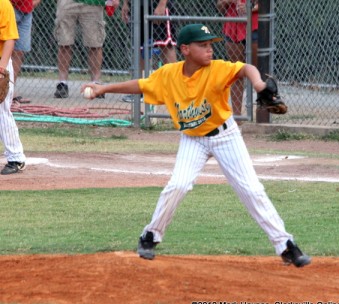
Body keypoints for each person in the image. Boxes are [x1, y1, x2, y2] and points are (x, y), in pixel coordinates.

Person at [81, 24, 311, 268]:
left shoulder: (217, 69)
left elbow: (246, 68)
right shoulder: (169, 75)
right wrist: (103, 88)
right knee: (178, 185)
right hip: (193, 139)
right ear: (185, 49)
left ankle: (285, 245)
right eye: (203, 45)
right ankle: (150, 235)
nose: (210, 50)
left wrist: (258, 85)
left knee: (251, 190)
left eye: (210, 44)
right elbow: (142, 84)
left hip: (226, 136)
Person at [53, 0, 120, 99]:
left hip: (93, 3)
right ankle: (62, 84)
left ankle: (96, 83)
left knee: (95, 44)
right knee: (64, 43)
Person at [120, 0, 176, 103]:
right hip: (137, 6)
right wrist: (125, 3)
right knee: (140, 46)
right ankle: (141, 90)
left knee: (165, 44)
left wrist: (162, 4)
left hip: (157, 4)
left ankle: (173, 89)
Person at [216, 0, 258, 116]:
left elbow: (267, 6)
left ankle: (263, 113)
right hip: (232, 25)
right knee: (236, 72)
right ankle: (237, 117)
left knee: (259, 70)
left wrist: (249, 8)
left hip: (254, 23)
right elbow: (220, 7)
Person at [0, 0, 27, 175]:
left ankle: (16, 157)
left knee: (1, 110)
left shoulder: (3, 4)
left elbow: (10, 39)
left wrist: (2, 70)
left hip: (0, 63)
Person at [10, 0, 42, 105]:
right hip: (9, 7)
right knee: (4, 48)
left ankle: (10, 91)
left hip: (26, 11)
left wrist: (31, 4)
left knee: (19, 51)